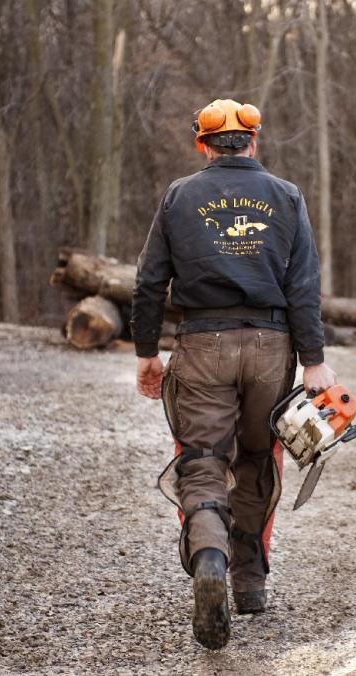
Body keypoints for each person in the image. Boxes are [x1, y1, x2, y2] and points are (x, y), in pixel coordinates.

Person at [130, 98, 336, 650]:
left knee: (201, 463)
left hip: (201, 344)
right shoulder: (287, 196)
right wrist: (313, 361)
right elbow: (303, 288)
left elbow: (149, 282)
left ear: (202, 144)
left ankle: (210, 562)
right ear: (254, 141)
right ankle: (249, 583)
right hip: (271, 346)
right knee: (257, 458)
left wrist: (147, 352)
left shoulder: (179, 196)